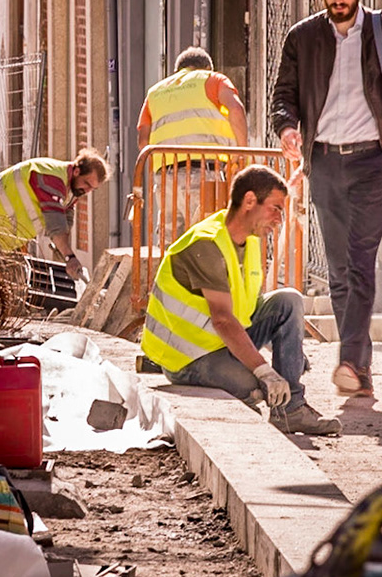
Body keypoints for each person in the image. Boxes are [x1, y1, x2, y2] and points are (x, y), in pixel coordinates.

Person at [270, 0, 382, 398]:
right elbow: (283, 95)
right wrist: (286, 127)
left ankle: (350, 360)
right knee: (338, 270)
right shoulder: (302, 38)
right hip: (323, 163)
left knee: (360, 262)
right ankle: (361, 367)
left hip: (372, 162)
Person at [141, 165, 341, 437]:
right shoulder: (207, 244)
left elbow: (247, 308)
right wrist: (265, 370)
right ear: (249, 201)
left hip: (223, 344)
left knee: (289, 299)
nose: (279, 219)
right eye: (275, 208)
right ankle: (254, 409)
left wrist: (288, 347)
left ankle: (291, 413)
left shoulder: (249, 241)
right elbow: (223, 320)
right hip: (188, 358)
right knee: (256, 386)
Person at [137, 46, 250, 232]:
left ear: (178, 70)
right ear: (207, 67)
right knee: (205, 236)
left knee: (171, 241)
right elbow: (236, 110)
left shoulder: (155, 92)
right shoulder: (213, 79)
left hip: (165, 177)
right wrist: (241, 153)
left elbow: (143, 141)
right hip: (202, 173)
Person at [0, 150, 109, 283]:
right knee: (4, 280)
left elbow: (65, 220)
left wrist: (62, 248)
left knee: (18, 276)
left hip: (4, 229)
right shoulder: (52, 178)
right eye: (87, 184)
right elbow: (56, 225)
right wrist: (69, 257)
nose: (87, 191)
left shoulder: (72, 188)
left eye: (92, 189)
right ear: (77, 171)